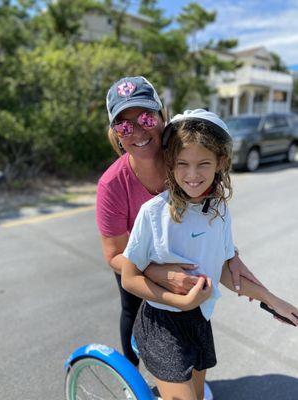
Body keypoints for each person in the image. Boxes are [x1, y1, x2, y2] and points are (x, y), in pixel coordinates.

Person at [96, 76, 263, 399]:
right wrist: (157, 272)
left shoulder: (185, 154)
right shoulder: (112, 186)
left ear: (162, 116)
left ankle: (185, 377)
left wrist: (231, 255)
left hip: (185, 257)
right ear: (115, 134)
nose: (139, 132)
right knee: (134, 312)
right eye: (124, 126)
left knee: (191, 321)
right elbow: (114, 253)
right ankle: (136, 383)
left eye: (145, 118)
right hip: (138, 262)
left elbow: (210, 214)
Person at [121, 109, 298, 400]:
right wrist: (181, 300)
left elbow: (224, 272)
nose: (192, 175)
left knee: (199, 395)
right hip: (161, 323)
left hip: (199, 319)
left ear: (220, 163)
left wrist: (273, 300)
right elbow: (129, 278)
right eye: (182, 164)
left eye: (203, 163)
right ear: (170, 163)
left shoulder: (219, 211)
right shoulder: (153, 214)